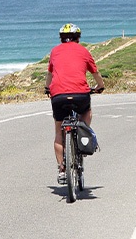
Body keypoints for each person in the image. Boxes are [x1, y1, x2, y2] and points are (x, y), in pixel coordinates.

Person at [45, 23, 105, 184]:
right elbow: (95, 73)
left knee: (59, 131)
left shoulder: (55, 51)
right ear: (78, 38)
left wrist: (46, 88)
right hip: (80, 95)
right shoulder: (83, 51)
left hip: (58, 96)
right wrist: (100, 86)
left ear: (61, 38)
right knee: (87, 112)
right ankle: (81, 135)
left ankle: (62, 170)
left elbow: (50, 74)